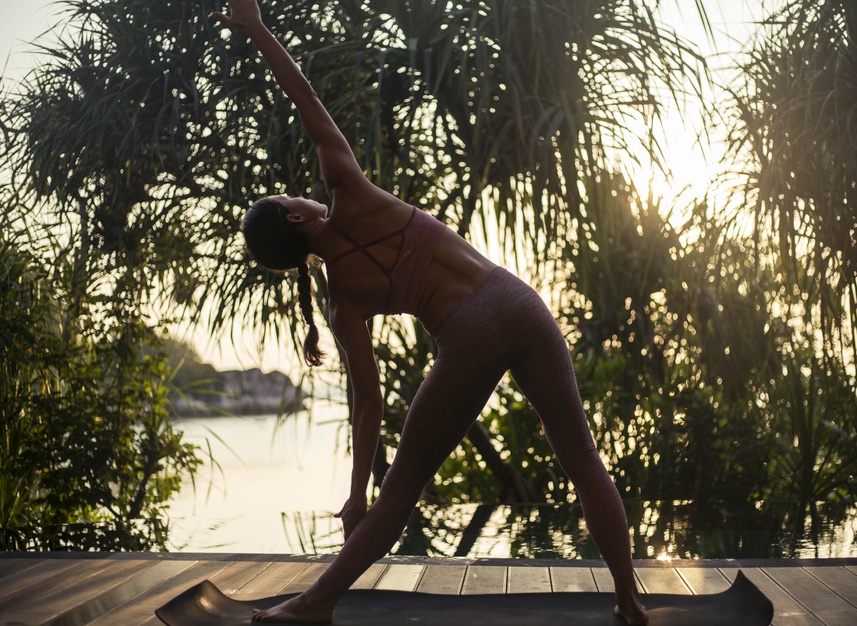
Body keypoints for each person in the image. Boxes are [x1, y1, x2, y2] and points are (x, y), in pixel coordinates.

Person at [211, 1, 649, 624]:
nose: (299, 190)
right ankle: (629, 600)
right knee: (581, 458)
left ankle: (316, 603)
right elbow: (302, 94)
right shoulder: (349, 189)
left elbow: (368, 401)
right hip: (519, 302)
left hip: (468, 333)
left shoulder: (342, 300)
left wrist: (358, 492)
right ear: (295, 216)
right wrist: (256, 26)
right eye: (290, 196)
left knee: (402, 490)